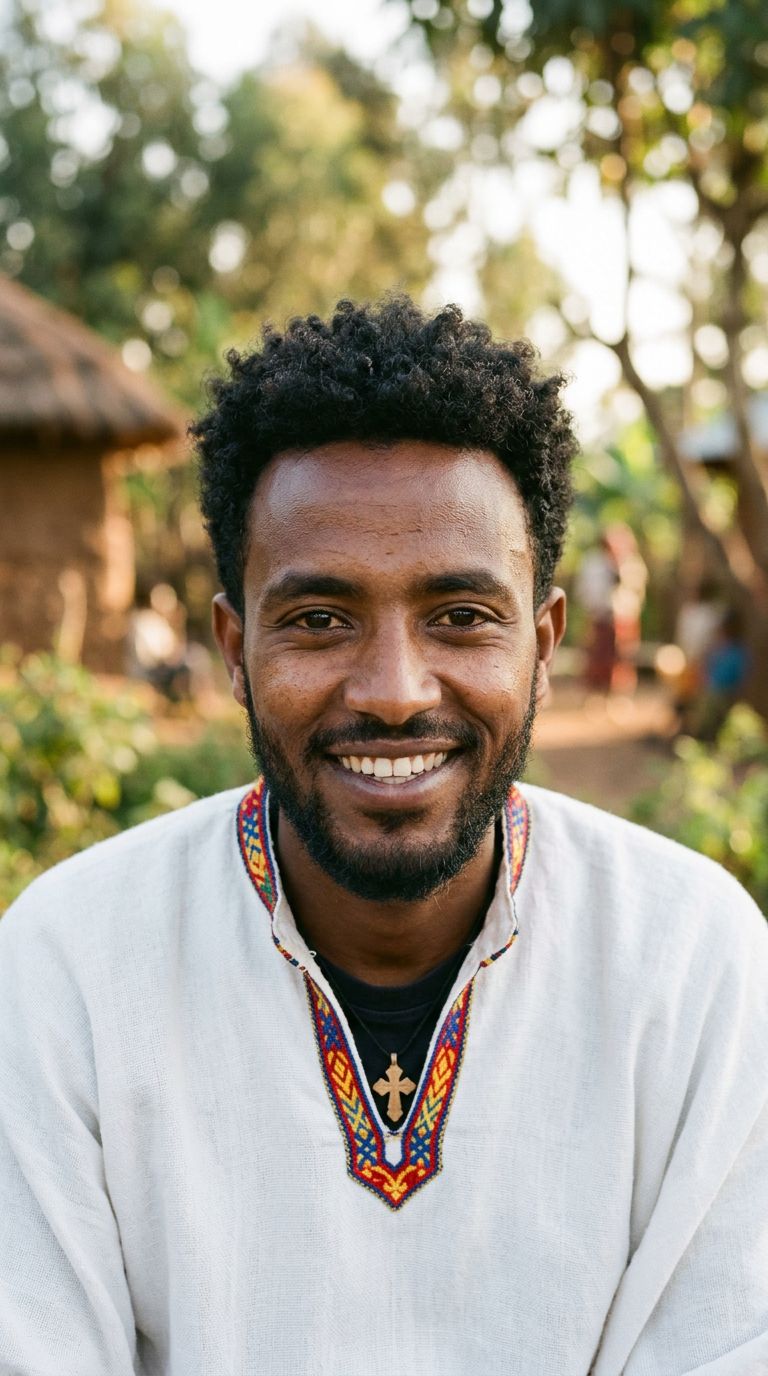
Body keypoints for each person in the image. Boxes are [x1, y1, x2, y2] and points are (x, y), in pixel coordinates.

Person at [1, 297, 767, 1376]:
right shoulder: (71, 963)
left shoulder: (693, 962)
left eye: (461, 615)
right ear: (234, 645)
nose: (397, 693)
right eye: (319, 619)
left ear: (545, 643)